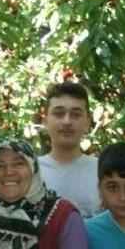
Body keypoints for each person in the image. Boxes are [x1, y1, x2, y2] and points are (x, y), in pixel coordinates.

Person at [37, 81, 102, 218]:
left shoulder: (102, 172)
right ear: (45, 121)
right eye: (59, 113)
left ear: (87, 124)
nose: (67, 121)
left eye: (76, 114)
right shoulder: (30, 171)